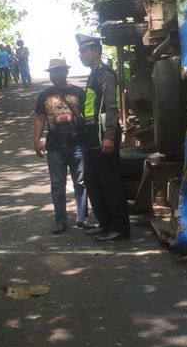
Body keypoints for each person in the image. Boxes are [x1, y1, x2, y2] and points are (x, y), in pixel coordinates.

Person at [76, 33, 129, 241]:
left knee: (111, 183)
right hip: (91, 138)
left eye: (83, 50)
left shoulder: (105, 74)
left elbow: (112, 107)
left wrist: (109, 136)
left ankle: (120, 228)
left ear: (95, 51)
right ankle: (105, 223)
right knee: (93, 181)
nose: (80, 55)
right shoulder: (93, 74)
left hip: (103, 137)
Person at [33, 57, 90, 233]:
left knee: (81, 182)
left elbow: (88, 117)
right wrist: (37, 140)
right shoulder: (44, 95)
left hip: (77, 144)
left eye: (58, 71)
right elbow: (40, 118)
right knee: (57, 185)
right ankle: (61, 221)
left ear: (66, 72)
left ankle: (82, 218)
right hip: (55, 147)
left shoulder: (79, 92)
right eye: (52, 72)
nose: (54, 75)